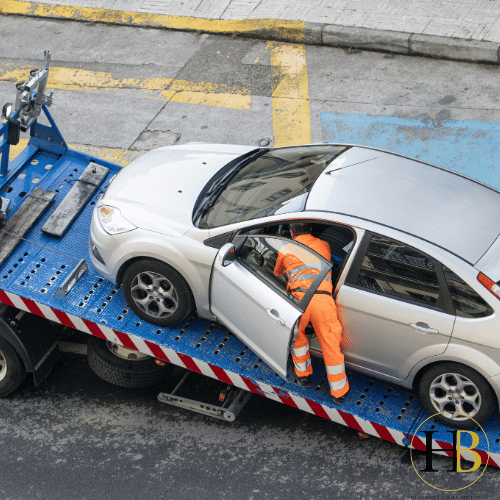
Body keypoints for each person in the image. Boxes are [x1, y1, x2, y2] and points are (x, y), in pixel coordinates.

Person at [274, 222, 350, 403]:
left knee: (297, 338)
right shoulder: (324, 245)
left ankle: (303, 376)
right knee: (330, 344)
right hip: (323, 301)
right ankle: (339, 392)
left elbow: (277, 273)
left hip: (298, 302)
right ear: (310, 230)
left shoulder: (285, 249)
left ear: (292, 234)